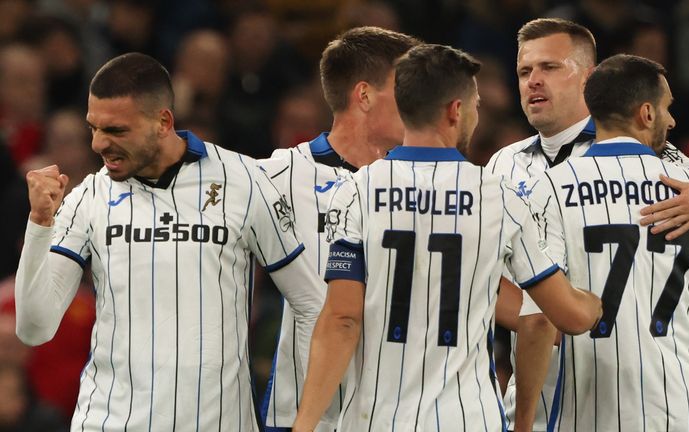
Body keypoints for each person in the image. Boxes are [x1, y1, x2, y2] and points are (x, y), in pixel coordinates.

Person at [292, 43, 602, 432]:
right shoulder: (500, 196)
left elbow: (341, 319)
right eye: (475, 105)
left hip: (375, 420)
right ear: (456, 110)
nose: (475, 113)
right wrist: (592, 303)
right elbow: (561, 317)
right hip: (467, 418)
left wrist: (303, 425)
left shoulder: (356, 190)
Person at [14, 52, 324, 431]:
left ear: (163, 122)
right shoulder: (89, 196)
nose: (97, 144)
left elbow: (311, 304)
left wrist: (304, 416)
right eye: (93, 127)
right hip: (109, 422)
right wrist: (39, 224)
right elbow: (34, 327)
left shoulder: (244, 181)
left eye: (116, 131)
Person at [485, 18, 689, 432]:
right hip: (541, 385)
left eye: (549, 68)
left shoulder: (649, 148)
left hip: (600, 387)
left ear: (589, 79)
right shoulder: (505, 162)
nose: (533, 81)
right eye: (524, 71)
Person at [257, 26, 420, 432]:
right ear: (363, 95)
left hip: (397, 414)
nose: (419, 102)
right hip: (301, 415)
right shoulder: (279, 176)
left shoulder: (424, 182)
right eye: (406, 88)